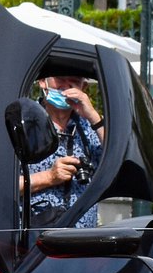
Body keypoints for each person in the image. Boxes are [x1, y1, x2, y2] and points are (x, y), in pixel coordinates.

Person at [26, 76, 104, 225]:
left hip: (83, 239)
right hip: (36, 238)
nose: (67, 86)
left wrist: (93, 116)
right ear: (43, 81)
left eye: (74, 81)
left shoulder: (92, 126)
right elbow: (1, 185)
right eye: (60, 79)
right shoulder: (26, 122)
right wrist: (49, 177)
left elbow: (119, 160)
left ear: (84, 87)